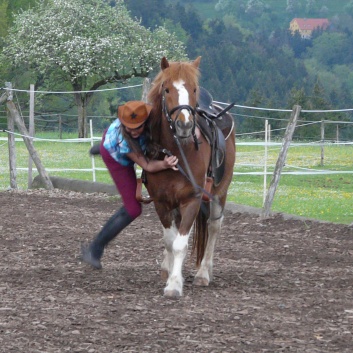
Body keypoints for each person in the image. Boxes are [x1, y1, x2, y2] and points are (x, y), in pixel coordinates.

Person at [81, 101, 178, 269]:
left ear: (146, 121)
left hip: (117, 138)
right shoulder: (125, 140)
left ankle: (104, 140)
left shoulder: (151, 118)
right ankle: (94, 249)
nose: (133, 131)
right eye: (129, 127)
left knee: (123, 137)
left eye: (137, 127)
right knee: (133, 209)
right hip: (118, 156)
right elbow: (147, 165)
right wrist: (164, 164)